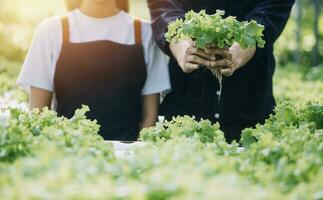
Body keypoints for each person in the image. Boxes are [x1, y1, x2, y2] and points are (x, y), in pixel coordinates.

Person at [17, 0, 170, 141]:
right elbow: (38, 114)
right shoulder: (51, 30)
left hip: (127, 157)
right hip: (66, 157)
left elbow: (150, 117)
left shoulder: (145, 32)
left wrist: (134, 156)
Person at [147, 0, 295, 143]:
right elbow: (163, 5)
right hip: (185, 101)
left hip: (250, 102)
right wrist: (180, 42)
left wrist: (245, 43)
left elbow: (273, 7)